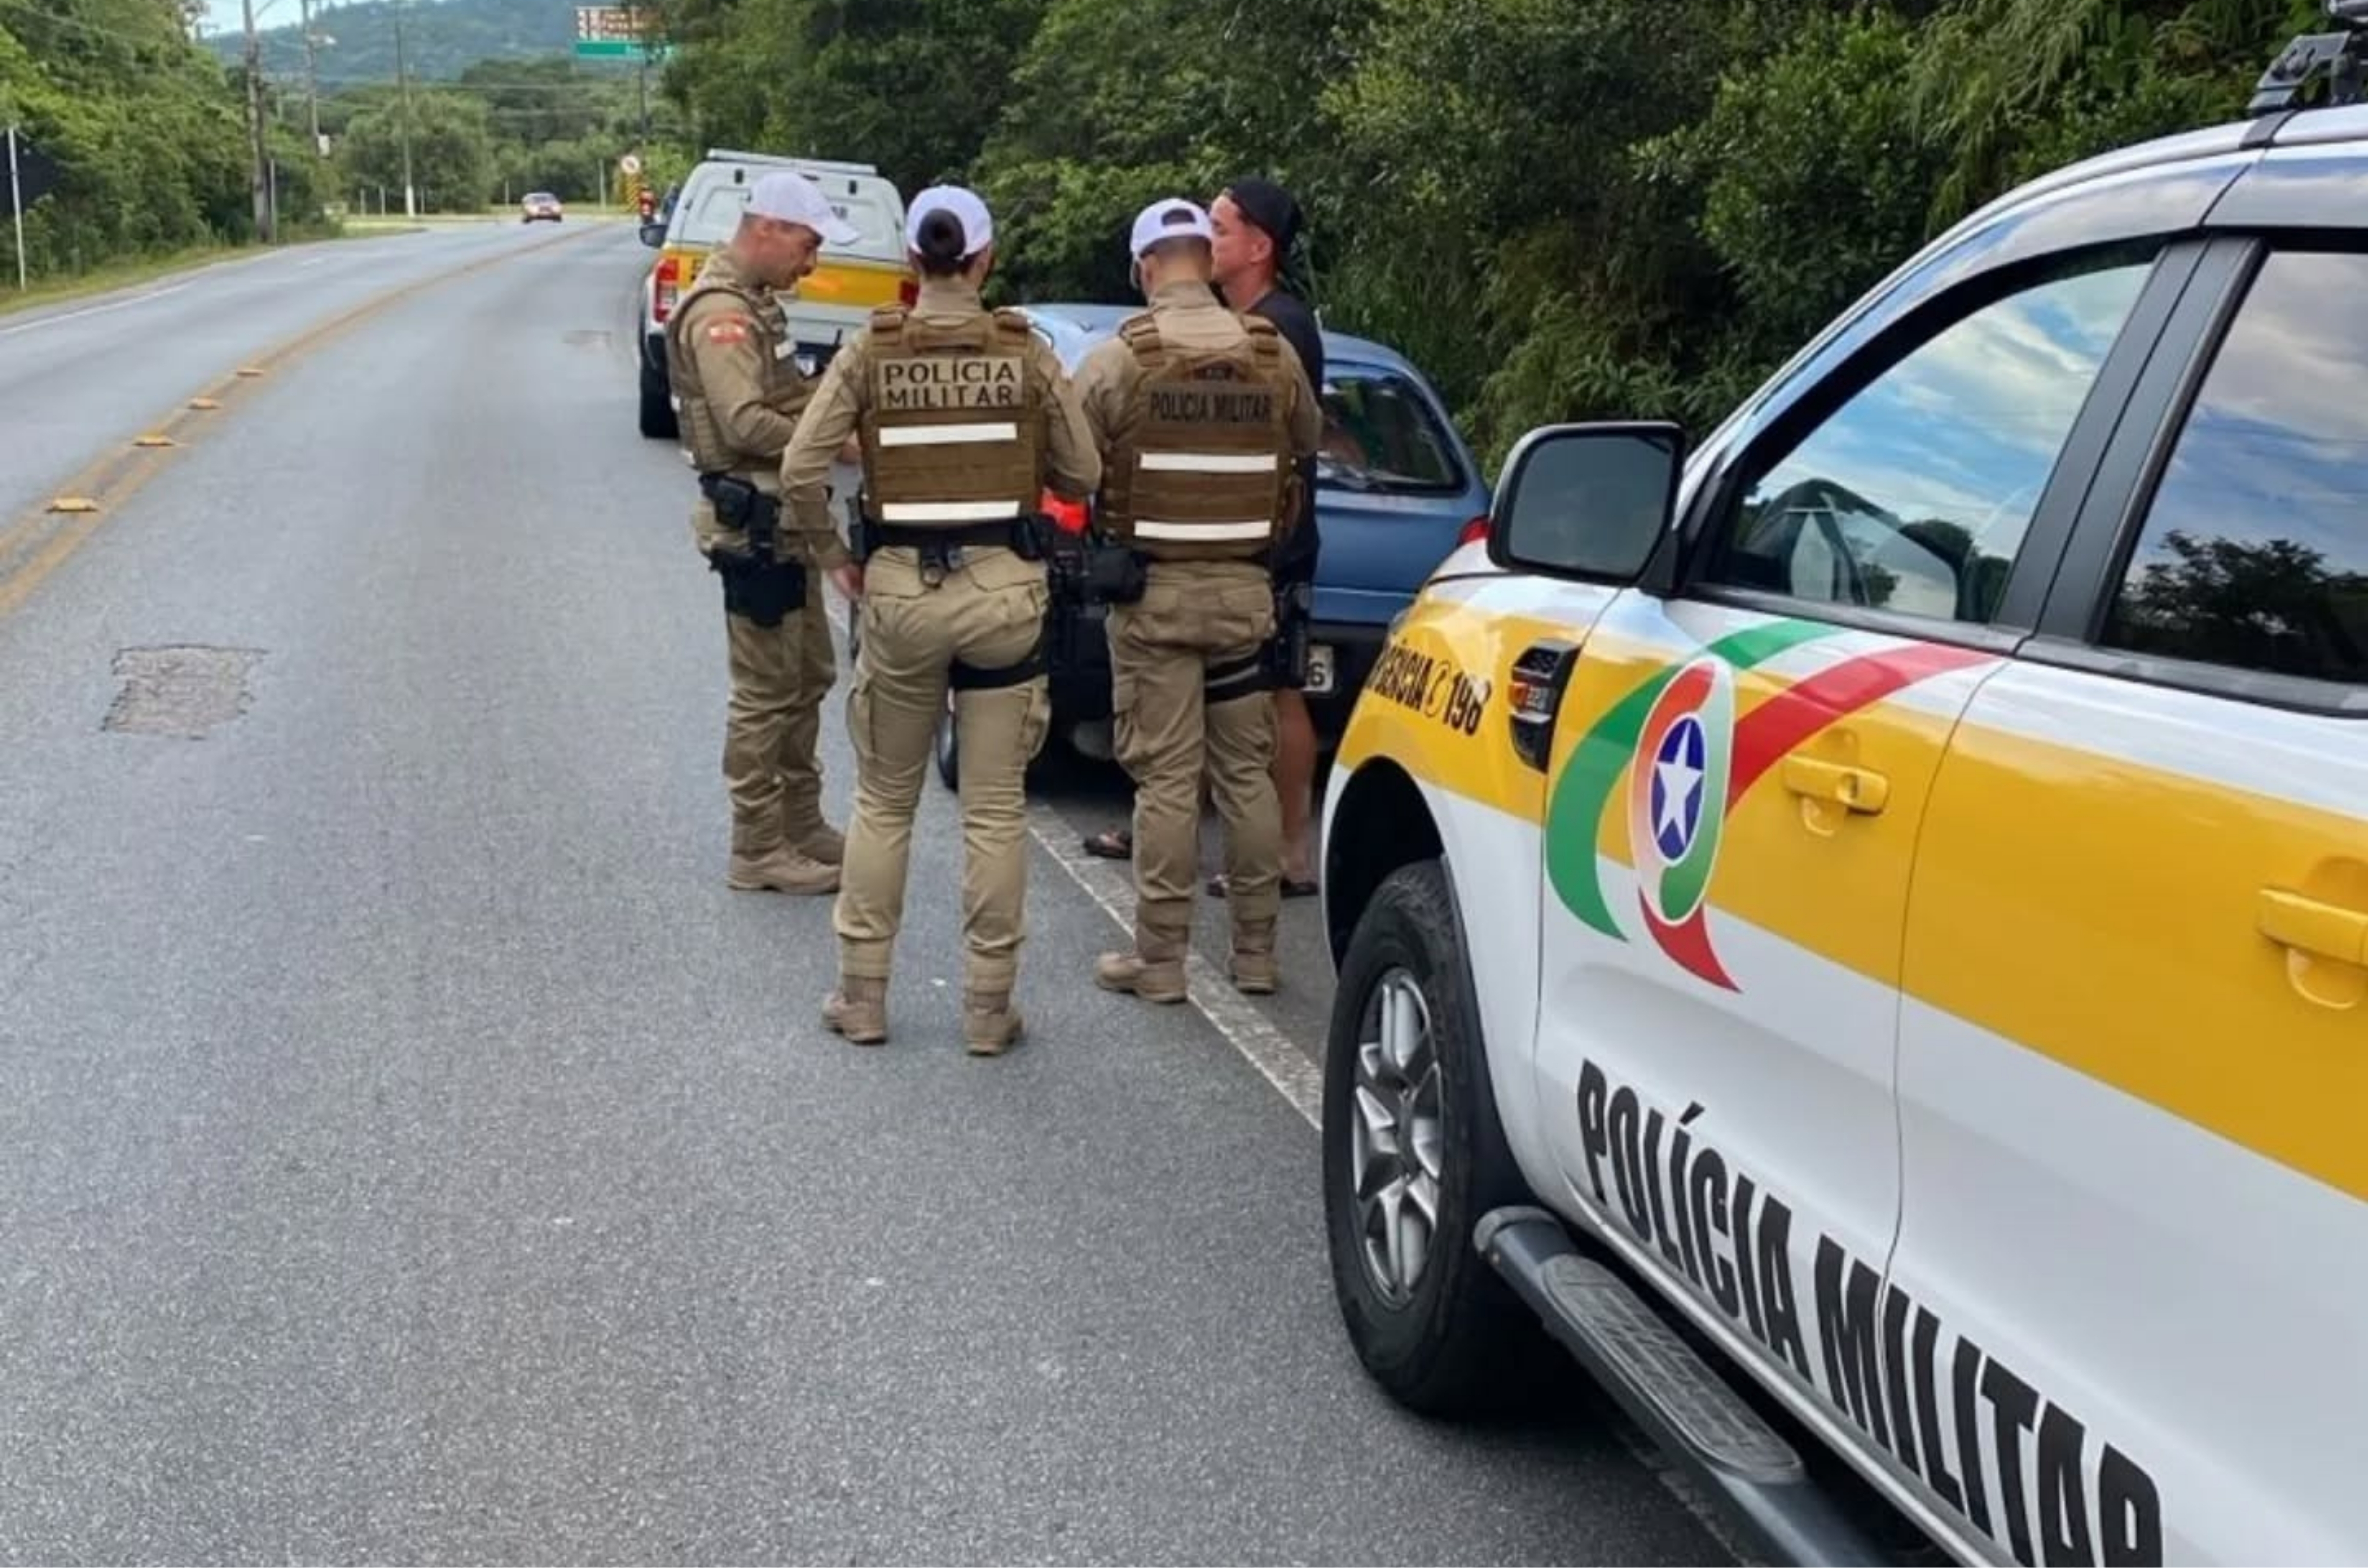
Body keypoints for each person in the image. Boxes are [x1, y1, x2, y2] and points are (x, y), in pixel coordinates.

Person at [777, 185, 1101, 1056]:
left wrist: (832, 558)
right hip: (1003, 595)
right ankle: (989, 1011)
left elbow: (803, 468)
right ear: (985, 259)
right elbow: (1081, 474)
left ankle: (863, 998)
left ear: (913, 263)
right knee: (995, 809)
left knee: (884, 801)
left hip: (898, 594)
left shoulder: (871, 351)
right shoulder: (1024, 351)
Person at [1073, 198, 1322, 1004]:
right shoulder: (1270, 349)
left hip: (1155, 601)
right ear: (1202, 262)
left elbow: (1071, 467)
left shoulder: (1123, 355)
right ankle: (1255, 956)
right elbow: (1309, 441)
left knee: (1168, 782)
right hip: (1247, 596)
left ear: (1146, 267)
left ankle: (1160, 961)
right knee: (1246, 778)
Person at [666, 169, 860, 896]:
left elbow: (780, 396)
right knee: (763, 692)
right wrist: (830, 440)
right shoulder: (723, 314)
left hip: (785, 522)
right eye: (807, 245)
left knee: (807, 674)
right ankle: (757, 845)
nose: (811, 264)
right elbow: (744, 421)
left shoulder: (757, 306)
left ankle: (799, 823)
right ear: (768, 228)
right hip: (754, 524)